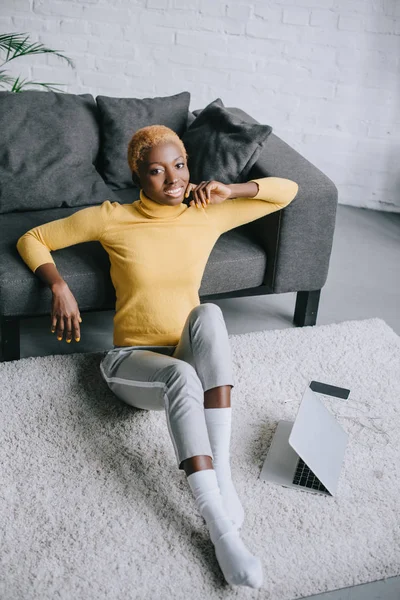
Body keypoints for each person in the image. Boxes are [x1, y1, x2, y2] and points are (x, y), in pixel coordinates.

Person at [16, 124, 299, 589]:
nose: (173, 179)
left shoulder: (205, 213)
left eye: (180, 166)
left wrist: (233, 189)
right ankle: (219, 526)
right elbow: (33, 238)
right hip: (131, 361)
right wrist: (58, 285)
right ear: (138, 177)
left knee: (208, 313)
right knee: (180, 377)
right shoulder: (111, 218)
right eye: (156, 171)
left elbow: (286, 192)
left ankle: (222, 478)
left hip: (184, 346)